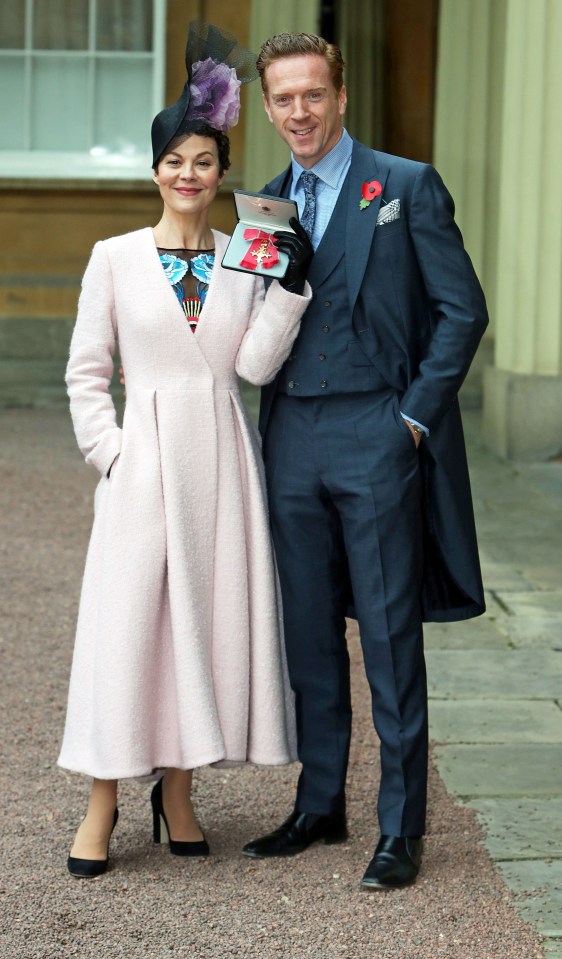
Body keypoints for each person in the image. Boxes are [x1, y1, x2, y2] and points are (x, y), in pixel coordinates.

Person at [58, 22, 313, 879]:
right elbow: (86, 374)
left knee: (196, 627)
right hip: (143, 467)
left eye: (205, 161)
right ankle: (102, 800)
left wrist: (290, 289)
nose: (189, 174)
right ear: (155, 168)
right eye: (176, 160)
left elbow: (250, 366)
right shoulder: (115, 258)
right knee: (126, 628)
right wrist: (115, 454)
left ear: (221, 172)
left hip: (220, 465)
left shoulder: (245, 262)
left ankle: (177, 792)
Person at [241, 32, 489, 890]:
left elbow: (463, 311)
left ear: (340, 97)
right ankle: (320, 804)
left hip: (378, 432)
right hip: (291, 438)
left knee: (387, 636)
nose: (299, 112)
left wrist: (413, 420)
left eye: (313, 95)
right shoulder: (264, 207)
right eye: (283, 99)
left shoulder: (405, 185)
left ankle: (400, 826)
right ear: (267, 108)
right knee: (308, 630)